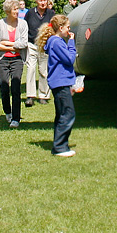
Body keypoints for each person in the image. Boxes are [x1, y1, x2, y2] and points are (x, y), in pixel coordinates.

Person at [37, 14, 77, 157]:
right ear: (61, 28)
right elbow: (69, 59)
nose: (69, 29)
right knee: (68, 113)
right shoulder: (57, 42)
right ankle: (60, 147)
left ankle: (60, 144)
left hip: (60, 82)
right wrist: (71, 43)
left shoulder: (55, 41)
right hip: (60, 82)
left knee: (61, 114)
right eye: (67, 27)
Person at [0, 0, 29, 128]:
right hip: (3, 60)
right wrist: (13, 46)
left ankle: (16, 118)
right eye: (14, 9)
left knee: (16, 87)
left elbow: (24, 43)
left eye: (18, 8)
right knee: (4, 87)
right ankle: (7, 111)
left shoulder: (23, 24)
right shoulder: (0, 24)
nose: (17, 11)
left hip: (17, 59)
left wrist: (5, 43)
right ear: (8, 11)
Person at [23, 0, 56, 107]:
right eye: (41, 1)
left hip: (45, 46)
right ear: (36, 2)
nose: (43, 3)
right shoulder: (30, 13)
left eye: (45, 1)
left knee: (44, 71)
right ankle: (30, 96)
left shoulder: (51, 14)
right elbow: (24, 27)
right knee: (30, 69)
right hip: (31, 45)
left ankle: (43, 95)